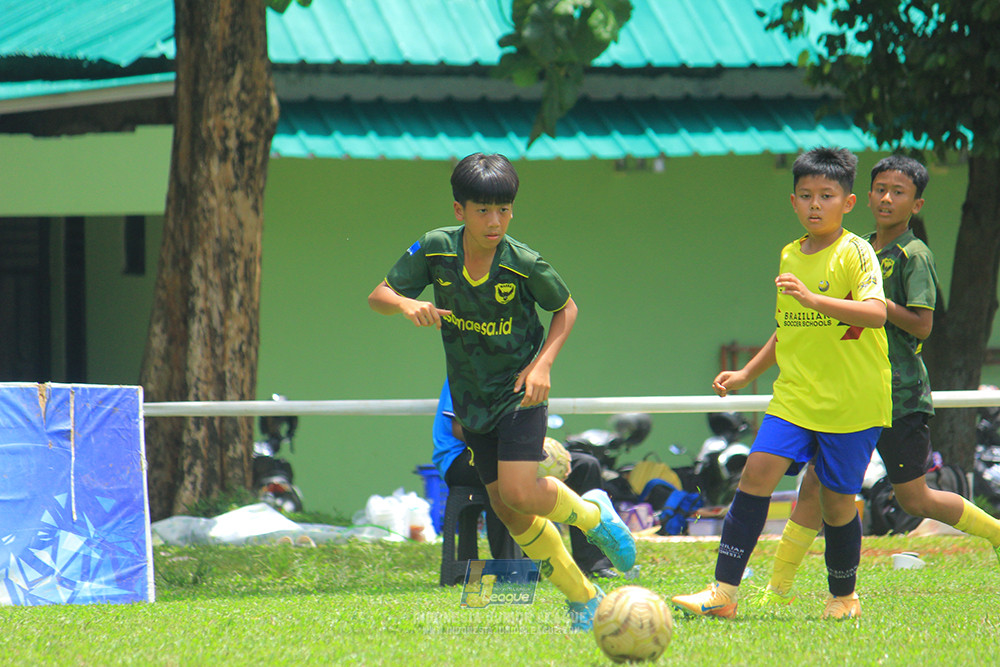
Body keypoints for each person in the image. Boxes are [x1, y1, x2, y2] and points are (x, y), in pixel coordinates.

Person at [369, 152, 635, 630]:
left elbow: (567, 309)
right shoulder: (436, 250)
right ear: (459, 211)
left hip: (519, 391)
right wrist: (408, 305)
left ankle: (593, 515)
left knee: (518, 491)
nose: (495, 222)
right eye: (483, 211)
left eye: (505, 210)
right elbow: (379, 296)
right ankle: (583, 597)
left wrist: (543, 365)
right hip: (471, 401)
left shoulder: (524, 263)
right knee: (509, 512)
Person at [757, 155, 1000, 605]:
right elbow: (798, 319)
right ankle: (777, 589)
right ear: (863, 197)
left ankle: (996, 533)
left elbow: (923, 326)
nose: (887, 198)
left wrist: (875, 304)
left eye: (899, 192)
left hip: (899, 394)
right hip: (850, 393)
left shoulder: (914, 255)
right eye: (881, 189)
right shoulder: (854, 247)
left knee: (916, 500)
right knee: (815, 486)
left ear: (917, 203)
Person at [671, 147, 892, 621]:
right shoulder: (790, 252)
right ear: (793, 202)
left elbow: (876, 313)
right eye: (807, 196)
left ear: (848, 203)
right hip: (794, 395)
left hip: (854, 401)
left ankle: (843, 596)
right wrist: (749, 372)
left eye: (827, 196)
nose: (816, 205)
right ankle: (724, 593)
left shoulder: (857, 251)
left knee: (835, 503)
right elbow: (789, 326)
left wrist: (814, 299)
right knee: (755, 474)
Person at [433, 378, 617, 577]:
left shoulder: (524, 373)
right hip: (462, 456)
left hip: (513, 448)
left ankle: (594, 565)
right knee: (502, 470)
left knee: (586, 465)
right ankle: (511, 568)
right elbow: (459, 429)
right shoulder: (465, 370)